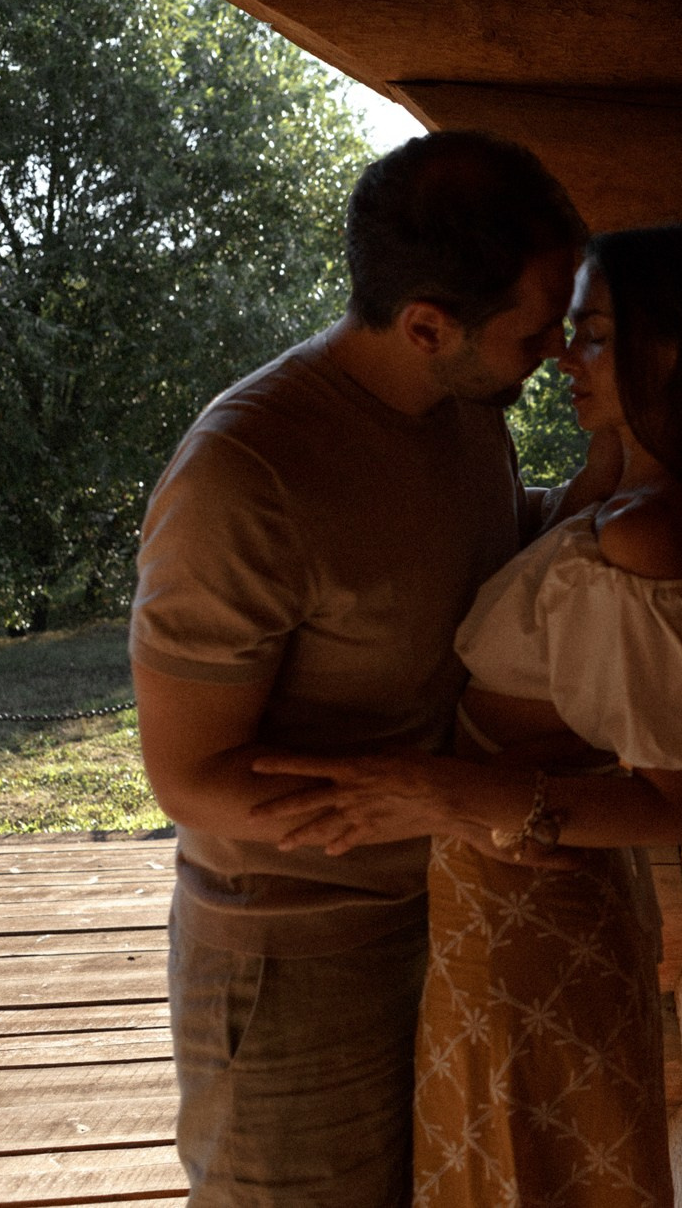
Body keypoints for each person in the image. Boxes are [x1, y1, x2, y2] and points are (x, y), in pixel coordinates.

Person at [130, 131, 619, 1206]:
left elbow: (470, 557)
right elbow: (191, 779)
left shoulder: (458, 407)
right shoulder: (244, 474)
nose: (557, 353)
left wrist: (620, 479)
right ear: (427, 326)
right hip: (289, 959)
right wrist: (439, 800)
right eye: (537, 332)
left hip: (441, 907)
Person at [248, 222, 682, 1208]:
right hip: (491, 888)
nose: (564, 357)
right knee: (500, 1158)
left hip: (533, 910)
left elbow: (669, 802)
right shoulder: (606, 489)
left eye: (596, 336)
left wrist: (438, 791)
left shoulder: (645, 535)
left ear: (670, 350)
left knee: (529, 1166)